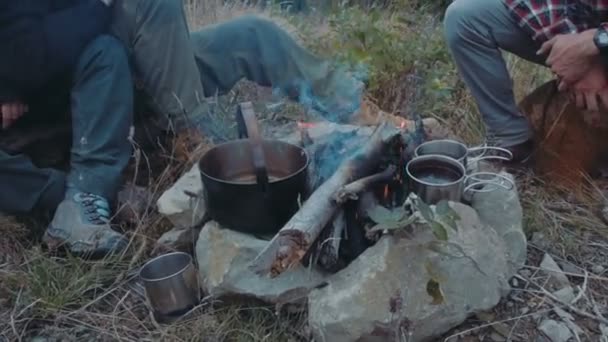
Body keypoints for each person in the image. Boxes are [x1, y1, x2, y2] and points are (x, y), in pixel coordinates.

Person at [0, 0, 361, 257]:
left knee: (252, 35)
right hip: (75, 88)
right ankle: (195, 137)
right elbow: (26, 50)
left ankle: (355, 105)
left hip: (126, 58)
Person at [444, 0, 608, 164]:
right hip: (581, 31)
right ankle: (512, 142)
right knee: (465, 17)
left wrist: (597, 41)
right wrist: (578, 57)